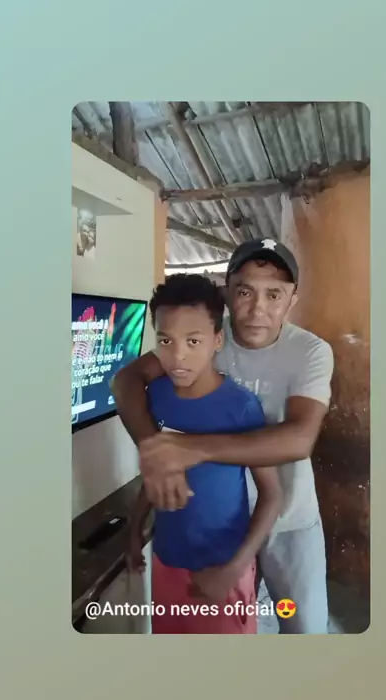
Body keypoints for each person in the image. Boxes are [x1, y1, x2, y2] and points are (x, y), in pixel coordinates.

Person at [115, 238, 334, 634]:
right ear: (229, 292)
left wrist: (187, 449)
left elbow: (300, 440)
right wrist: (156, 454)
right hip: (212, 529)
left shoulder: (310, 352)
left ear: (292, 299)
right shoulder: (200, 335)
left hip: (288, 518)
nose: (258, 308)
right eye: (245, 291)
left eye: (274, 294)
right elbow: (126, 380)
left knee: (304, 625)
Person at [126, 273, 282, 634]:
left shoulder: (241, 408)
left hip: (222, 569)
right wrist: (134, 530)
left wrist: (233, 569)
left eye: (193, 341)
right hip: (167, 560)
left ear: (217, 340)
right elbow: (157, 469)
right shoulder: (156, 397)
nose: (177, 355)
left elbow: (272, 495)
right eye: (165, 340)